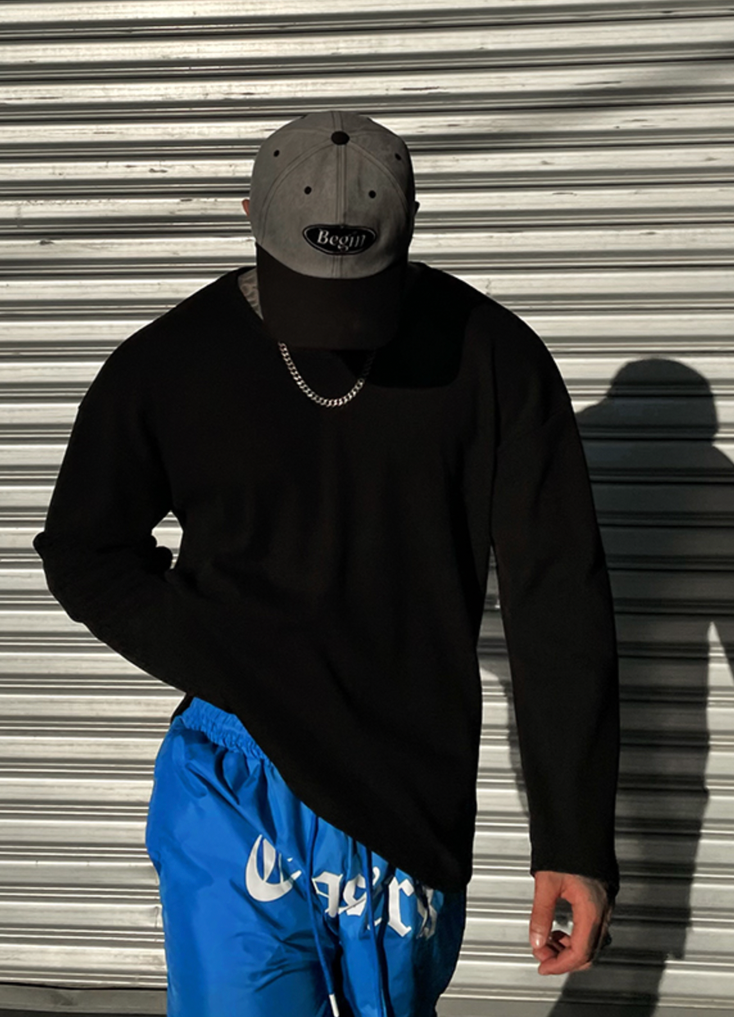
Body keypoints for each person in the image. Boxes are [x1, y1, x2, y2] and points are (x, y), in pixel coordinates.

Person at [33, 109, 620, 1017]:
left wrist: (573, 841)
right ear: (249, 217)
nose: (338, 322)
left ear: (412, 224)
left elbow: (557, 601)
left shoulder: (492, 358)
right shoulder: (172, 363)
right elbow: (84, 549)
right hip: (236, 775)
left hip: (401, 790)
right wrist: (232, 660)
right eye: (311, 291)